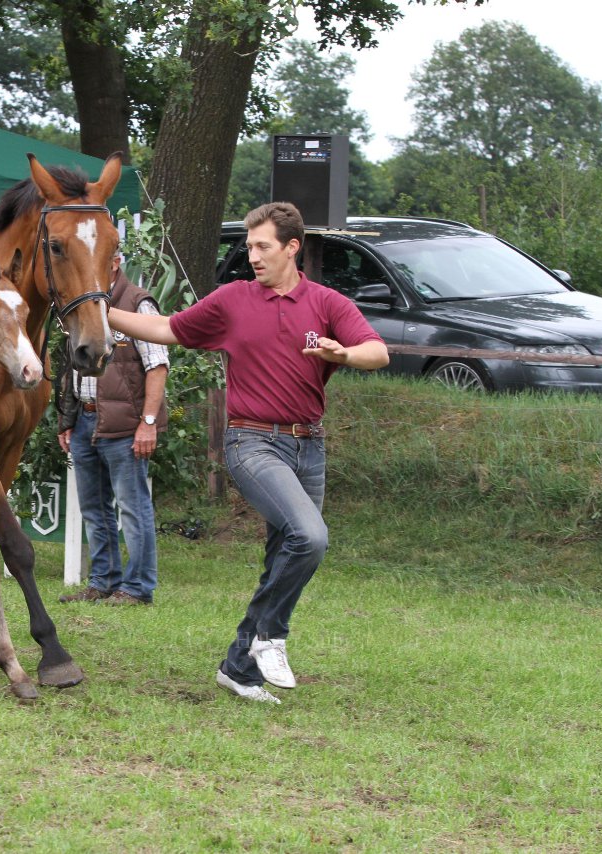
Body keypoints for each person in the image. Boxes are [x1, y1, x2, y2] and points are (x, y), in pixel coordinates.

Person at [106, 202, 389, 704]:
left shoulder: (325, 303)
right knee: (311, 536)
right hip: (251, 441)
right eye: (250, 247)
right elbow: (168, 329)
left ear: (292, 247)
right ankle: (269, 637)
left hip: (310, 445)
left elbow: (377, 351)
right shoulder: (233, 299)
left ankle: (238, 666)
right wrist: (101, 312)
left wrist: (343, 353)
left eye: (263, 247)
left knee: (286, 552)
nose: (252, 256)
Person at [56, 253, 168, 606]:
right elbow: (71, 365)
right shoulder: (83, 303)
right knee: (94, 508)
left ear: (116, 262)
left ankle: (137, 588)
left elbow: (158, 366)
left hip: (126, 425)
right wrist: (68, 420)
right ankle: (102, 581)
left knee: (133, 508)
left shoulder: (137, 303)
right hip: (86, 420)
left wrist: (148, 423)